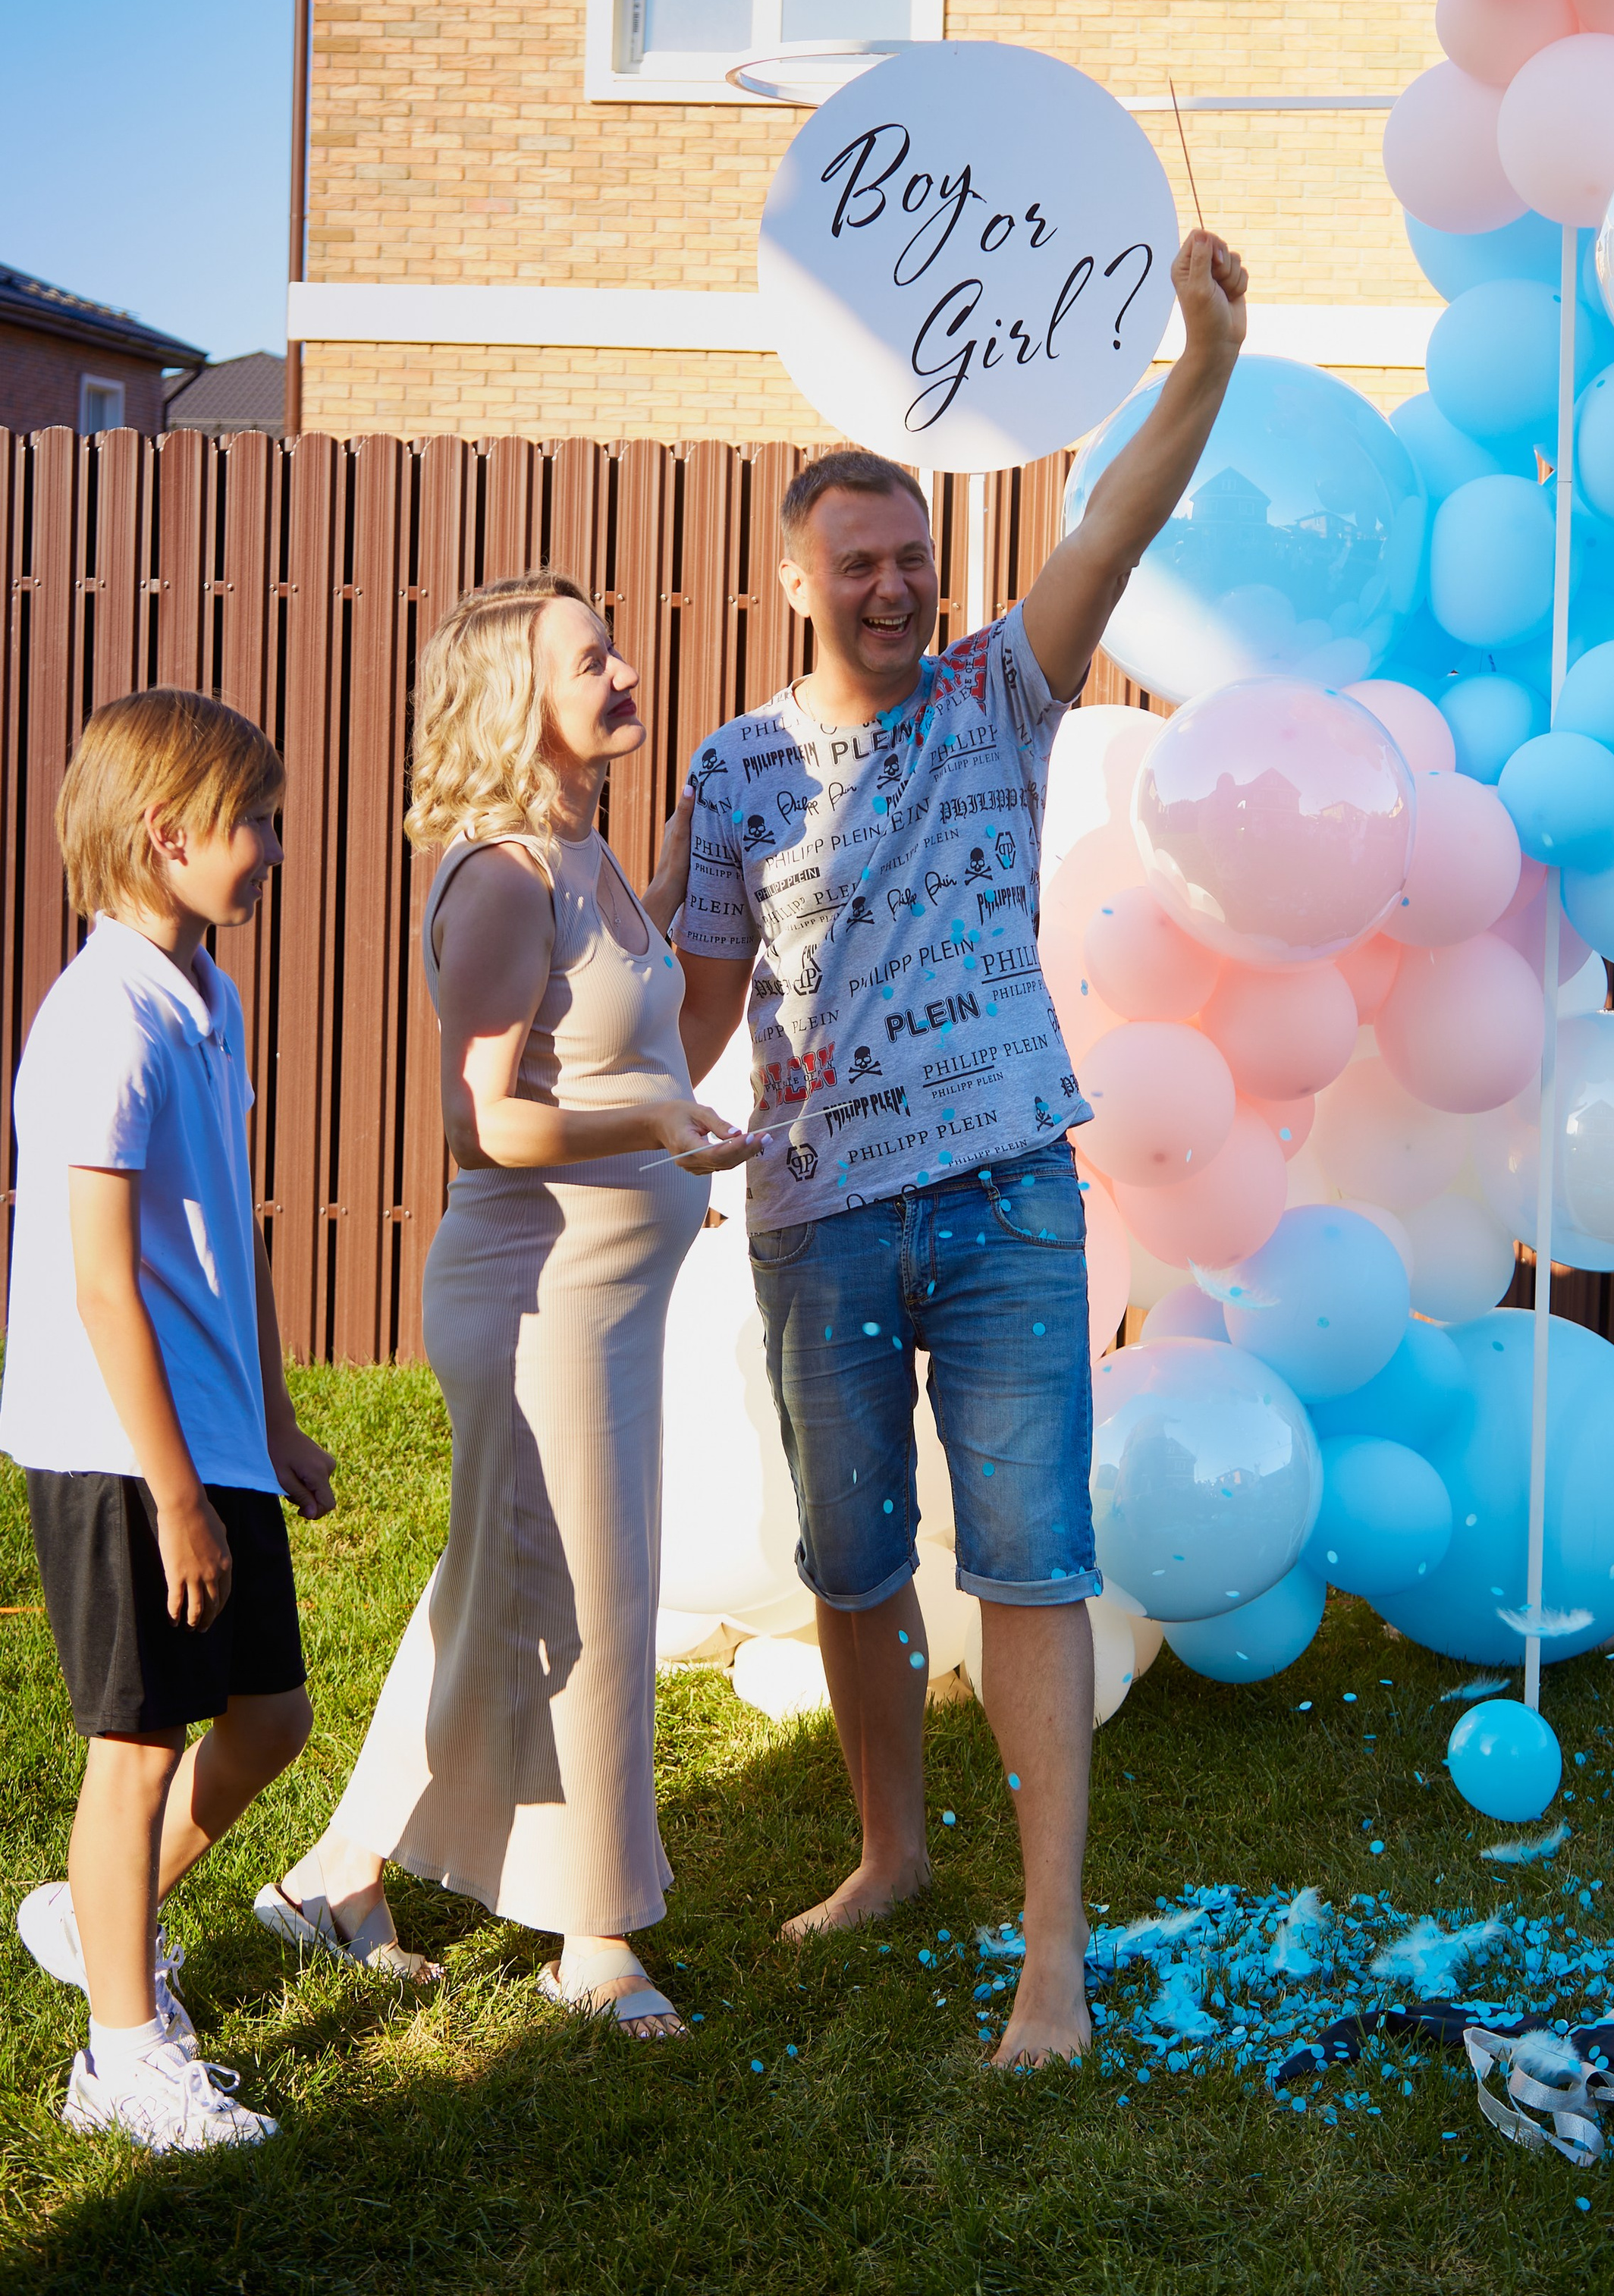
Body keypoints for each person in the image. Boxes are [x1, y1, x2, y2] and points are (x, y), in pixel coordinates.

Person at [677, 226, 1248, 2064]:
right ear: (794, 584)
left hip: (1006, 1195)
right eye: (860, 564)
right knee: (851, 1560)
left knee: (1028, 1560)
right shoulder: (729, 772)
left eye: (915, 558)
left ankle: (1052, 1949)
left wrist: (1205, 359)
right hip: (815, 1221)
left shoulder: (999, 695)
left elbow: (1116, 530)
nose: (897, 587)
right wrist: (613, 1098)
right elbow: (693, 1008)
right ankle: (890, 1852)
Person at [259, 573, 763, 2040]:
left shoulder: (586, 854)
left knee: (498, 1584)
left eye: (613, 647)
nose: (624, 670)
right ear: (514, 699)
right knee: (593, 1600)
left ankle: (337, 1878)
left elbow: (623, 984)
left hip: (599, 1295)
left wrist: (698, 845)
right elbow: (484, 1127)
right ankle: (595, 1934)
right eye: (590, 658)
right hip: (531, 1296)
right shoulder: (499, 876)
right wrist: (664, 1128)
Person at [5, 689, 336, 2152]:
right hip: (115, 1445)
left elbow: (227, 1238)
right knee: (134, 1745)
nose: (271, 847)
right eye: (251, 822)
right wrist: (178, 1495)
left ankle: (99, 1919)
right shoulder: (102, 1019)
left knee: (270, 1716)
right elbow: (98, 1284)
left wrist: (270, 1421)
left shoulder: (210, 995)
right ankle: (122, 2057)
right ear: (166, 835)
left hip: (204, 1431)